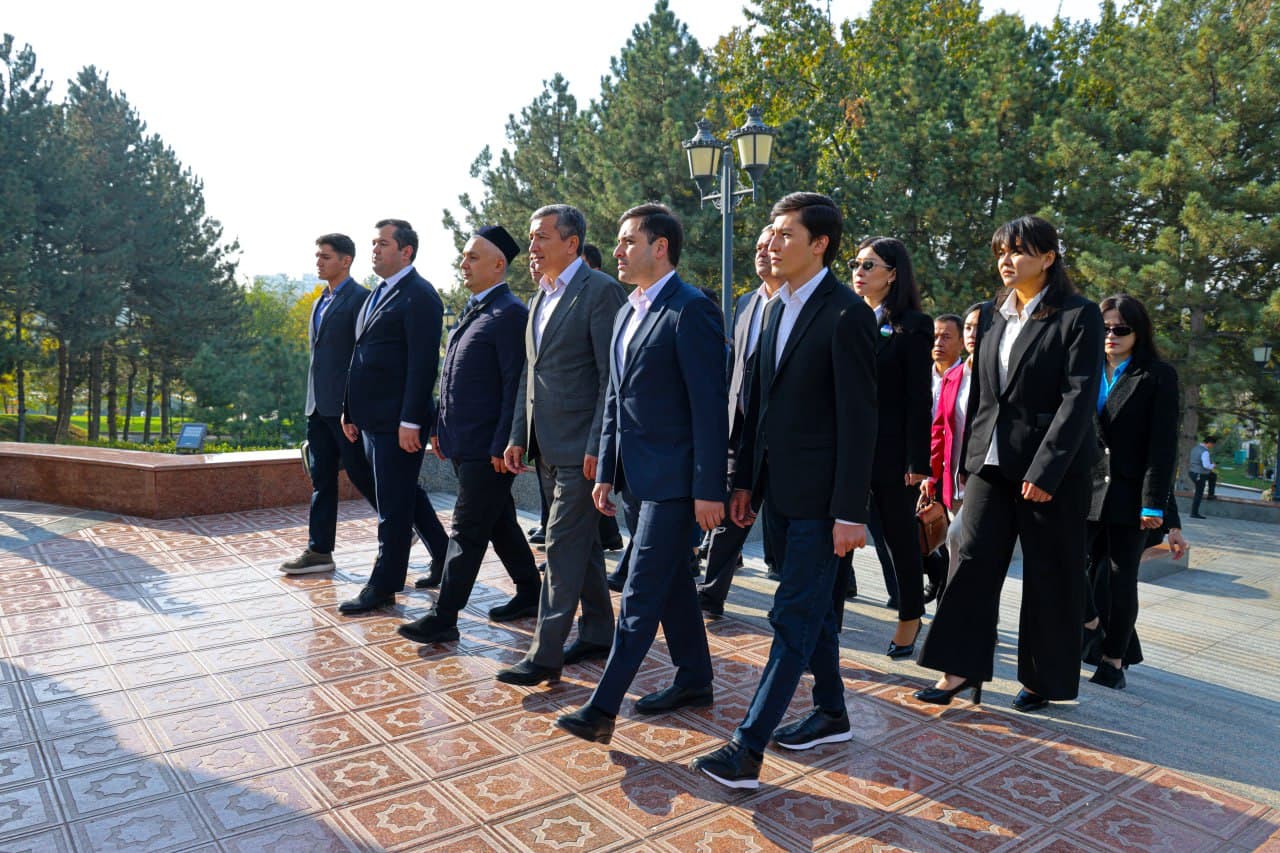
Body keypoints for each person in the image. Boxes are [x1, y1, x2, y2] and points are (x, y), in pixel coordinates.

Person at [690, 192, 877, 789]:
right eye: (769, 232)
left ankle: (746, 750)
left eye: (785, 234)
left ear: (820, 244)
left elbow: (860, 420)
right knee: (812, 608)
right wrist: (744, 480)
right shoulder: (771, 309)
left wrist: (851, 511)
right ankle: (833, 711)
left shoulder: (847, 314)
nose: (770, 242)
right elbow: (758, 409)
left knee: (792, 615)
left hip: (825, 503)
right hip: (778, 494)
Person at [916, 215, 1103, 712]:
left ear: (1048, 258)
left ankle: (1043, 680)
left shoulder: (1077, 315)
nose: (1006, 260)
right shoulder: (994, 312)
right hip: (990, 464)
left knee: (1049, 573)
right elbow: (982, 393)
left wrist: (1046, 471)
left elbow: (1078, 398)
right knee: (970, 562)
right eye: (1002, 251)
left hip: (1050, 472)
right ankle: (960, 670)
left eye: (1019, 251)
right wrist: (966, 461)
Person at [556, 204, 728, 744]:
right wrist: (606, 469)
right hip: (635, 478)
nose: (620, 249)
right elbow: (614, 396)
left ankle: (603, 708)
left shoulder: (691, 308)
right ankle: (695, 678)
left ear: (661, 247)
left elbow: (708, 408)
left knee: (640, 589)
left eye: (630, 240)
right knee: (673, 581)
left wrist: (708, 489)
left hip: (676, 484)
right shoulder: (629, 310)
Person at [498, 205, 626, 685]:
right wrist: (518, 436)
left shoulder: (600, 292)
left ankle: (544, 655)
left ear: (572, 243)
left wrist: (599, 443)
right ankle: (597, 631)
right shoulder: (540, 297)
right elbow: (530, 377)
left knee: (560, 547)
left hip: (582, 450)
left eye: (543, 237)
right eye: (532, 237)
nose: (532, 245)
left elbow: (609, 378)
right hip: (545, 446)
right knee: (581, 546)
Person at [396, 226, 542, 644]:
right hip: (464, 442)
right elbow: (453, 378)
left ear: (499, 264)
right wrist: (440, 428)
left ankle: (444, 616)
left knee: (466, 529)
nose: (464, 263)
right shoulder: (475, 310)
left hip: (488, 449)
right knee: (499, 522)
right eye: (463, 256)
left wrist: (503, 443)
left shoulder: (509, 313)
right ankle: (531, 591)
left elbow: (515, 385)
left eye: (473, 257)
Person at [338, 220, 449, 614]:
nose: (375, 249)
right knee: (402, 497)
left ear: (406, 251)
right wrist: (349, 409)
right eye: (373, 243)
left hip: (397, 423)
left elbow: (422, 366)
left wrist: (411, 421)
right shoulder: (375, 295)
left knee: (393, 508)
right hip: (368, 420)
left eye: (383, 243)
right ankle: (443, 553)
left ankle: (383, 586)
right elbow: (360, 357)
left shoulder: (420, 296)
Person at [1081, 294, 1180, 689]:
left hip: (1130, 497)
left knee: (1122, 581)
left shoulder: (1157, 375)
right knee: (1070, 566)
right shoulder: (1083, 370)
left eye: (1120, 328)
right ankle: (1089, 622)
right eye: (1104, 328)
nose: (1111, 335)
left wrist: (1155, 505)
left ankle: (1113, 660)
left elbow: (1163, 448)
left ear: (1138, 333)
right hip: (1084, 492)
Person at [851, 237, 933, 659]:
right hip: (847, 448)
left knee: (898, 537)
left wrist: (919, 462)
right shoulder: (844, 317)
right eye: (855, 263)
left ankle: (910, 614)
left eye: (869, 265)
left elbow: (920, 399)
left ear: (892, 273)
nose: (859, 272)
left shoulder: (914, 326)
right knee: (838, 529)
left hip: (891, 453)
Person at [281, 234, 381, 577]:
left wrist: (351, 408)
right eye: (317, 256)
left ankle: (401, 525)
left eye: (326, 256)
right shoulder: (319, 300)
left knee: (363, 475)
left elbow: (363, 358)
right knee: (322, 480)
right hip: (317, 407)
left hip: (345, 412)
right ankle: (319, 550)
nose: (318, 262)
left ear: (346, 260)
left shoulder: (361, 299)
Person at [696, 226, 783, 616]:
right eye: (759, 247)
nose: (763, 252)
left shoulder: (799, 305)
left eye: (771, 246)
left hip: (781, 436)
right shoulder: (746, 302)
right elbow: (734, 367)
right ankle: (711, 593)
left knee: (782, 525)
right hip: (740, 427)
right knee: (731, 508)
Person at [924, 304, 983, 584]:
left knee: (957, 539)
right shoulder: (953, 377)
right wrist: (931, 475)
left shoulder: (999, 375)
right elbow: (939, 431)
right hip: (953, 481)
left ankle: (954, 612)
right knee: (956, 546)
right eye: (969, 327)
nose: (973, 333)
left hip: (984, 479)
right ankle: (963, 612)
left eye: (979, 327)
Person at [1188, 435, 1217, 518]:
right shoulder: (1205, 452)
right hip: (1199, 474)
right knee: (1199, 493)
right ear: (1209, 443)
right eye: (1213, 445)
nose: (1212, 447)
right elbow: (1206, 465)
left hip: (1192, 472)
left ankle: (1211, 495)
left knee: (1212, 476)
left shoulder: (1195, 448)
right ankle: (1194, 513)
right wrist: (1213, 465)